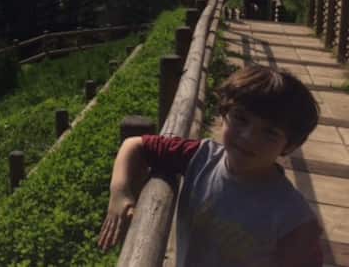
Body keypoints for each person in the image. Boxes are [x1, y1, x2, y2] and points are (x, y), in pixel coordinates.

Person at [97, 64, 323, 266]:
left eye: (270, 132)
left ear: (289, 146)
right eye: (241, 119)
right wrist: (119, 192)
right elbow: (135, 145)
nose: (248, 137)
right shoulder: (201, 157)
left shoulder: (294, 220)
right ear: (223, 113)